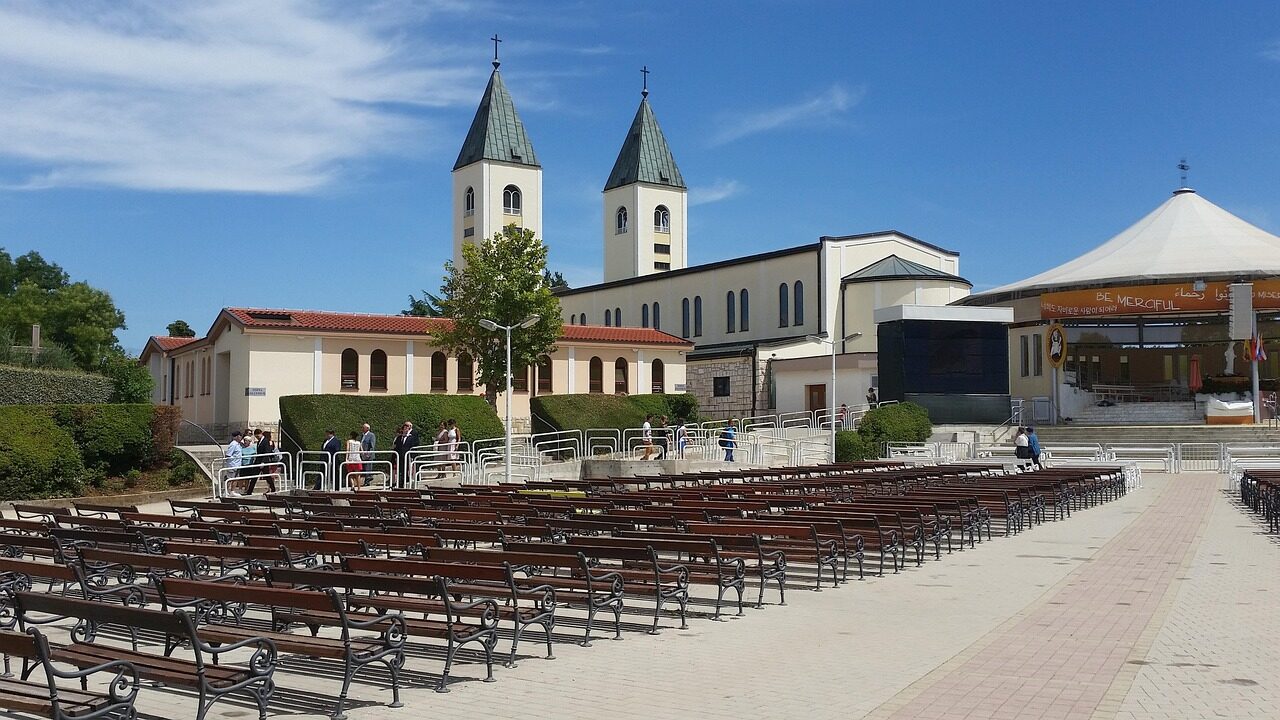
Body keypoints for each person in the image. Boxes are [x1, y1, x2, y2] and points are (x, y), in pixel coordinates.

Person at [245, 430, 278, 494]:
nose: (257, 437)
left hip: (264, 461)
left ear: (261, 434)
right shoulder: (259, 442)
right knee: (254, 476)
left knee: (267, 476)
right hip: (258, 461)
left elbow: (267, 452)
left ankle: (273, 488)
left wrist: (263, 462)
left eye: (258, 435)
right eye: (256, 436)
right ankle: (249, 491)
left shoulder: (265, 441)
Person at [394, 421, 418, 486]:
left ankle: (406, 480)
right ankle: (400, 482)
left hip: (407, 456)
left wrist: (412, 456)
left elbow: (413, 447)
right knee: (400, 469)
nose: (405, 430)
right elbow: (396, 447)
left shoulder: (411, 438)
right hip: (400, 456)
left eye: (407, 429)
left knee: (407, 469)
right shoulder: (399, 438)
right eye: (404, 429)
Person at [223, 431, 243, 497]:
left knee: (235, 478)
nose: (241, 438)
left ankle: (232, 491)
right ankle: (225, 491)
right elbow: (228, 455)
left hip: (237, 464)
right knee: (230, 478)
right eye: (240, 436)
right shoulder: (233, 444)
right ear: (237, 436)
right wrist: (234, 459)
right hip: (233, 464)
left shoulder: (238, 444)